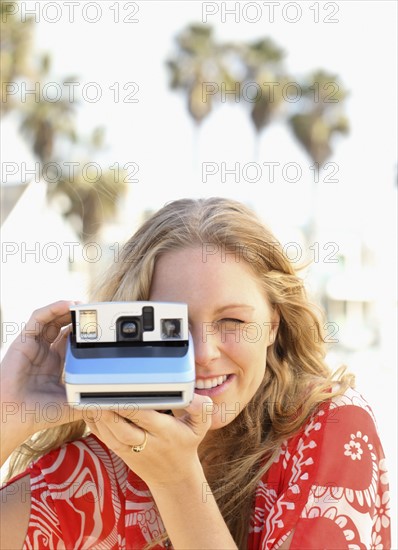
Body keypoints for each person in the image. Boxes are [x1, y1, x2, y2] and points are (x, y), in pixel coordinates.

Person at [0, 197, 391, 549]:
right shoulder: (99, 472)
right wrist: (8, 413)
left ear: (273, 322)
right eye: (173, 327)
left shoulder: (331, 426)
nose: (203, 353)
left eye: (233, 320)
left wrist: (176, 483)